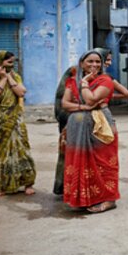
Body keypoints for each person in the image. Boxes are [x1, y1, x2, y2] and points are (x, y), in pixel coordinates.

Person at [60, 50, 120, 213]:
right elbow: (65, 103)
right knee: (79, 160)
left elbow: (91, 98)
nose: (94, 65)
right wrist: (82, 107)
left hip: (100, 125)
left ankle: (109, 200)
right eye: (90, 62)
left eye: (97, 62)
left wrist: (85, 84)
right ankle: (84, 198)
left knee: (103, 160)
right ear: (81, 64)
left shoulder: (105, 80)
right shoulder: (72, 81)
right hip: (77, 125)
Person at [0, 50, 36, 196]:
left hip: (15, 118)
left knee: (22, 150)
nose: (12, 64)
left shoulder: (14, 75)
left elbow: (21, 93)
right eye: (8, 61)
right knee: (1, 154)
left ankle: (28, 183)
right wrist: (2, 78)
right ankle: (4, 185)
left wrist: (8, 77)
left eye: (13, 62)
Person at [52, 64, 77, 195]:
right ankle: (66, 187)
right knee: (70, 154)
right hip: (70, 118)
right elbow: (64, 103)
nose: (108, 63)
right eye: (106, 60)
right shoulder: (75, 75)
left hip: (75, 118)